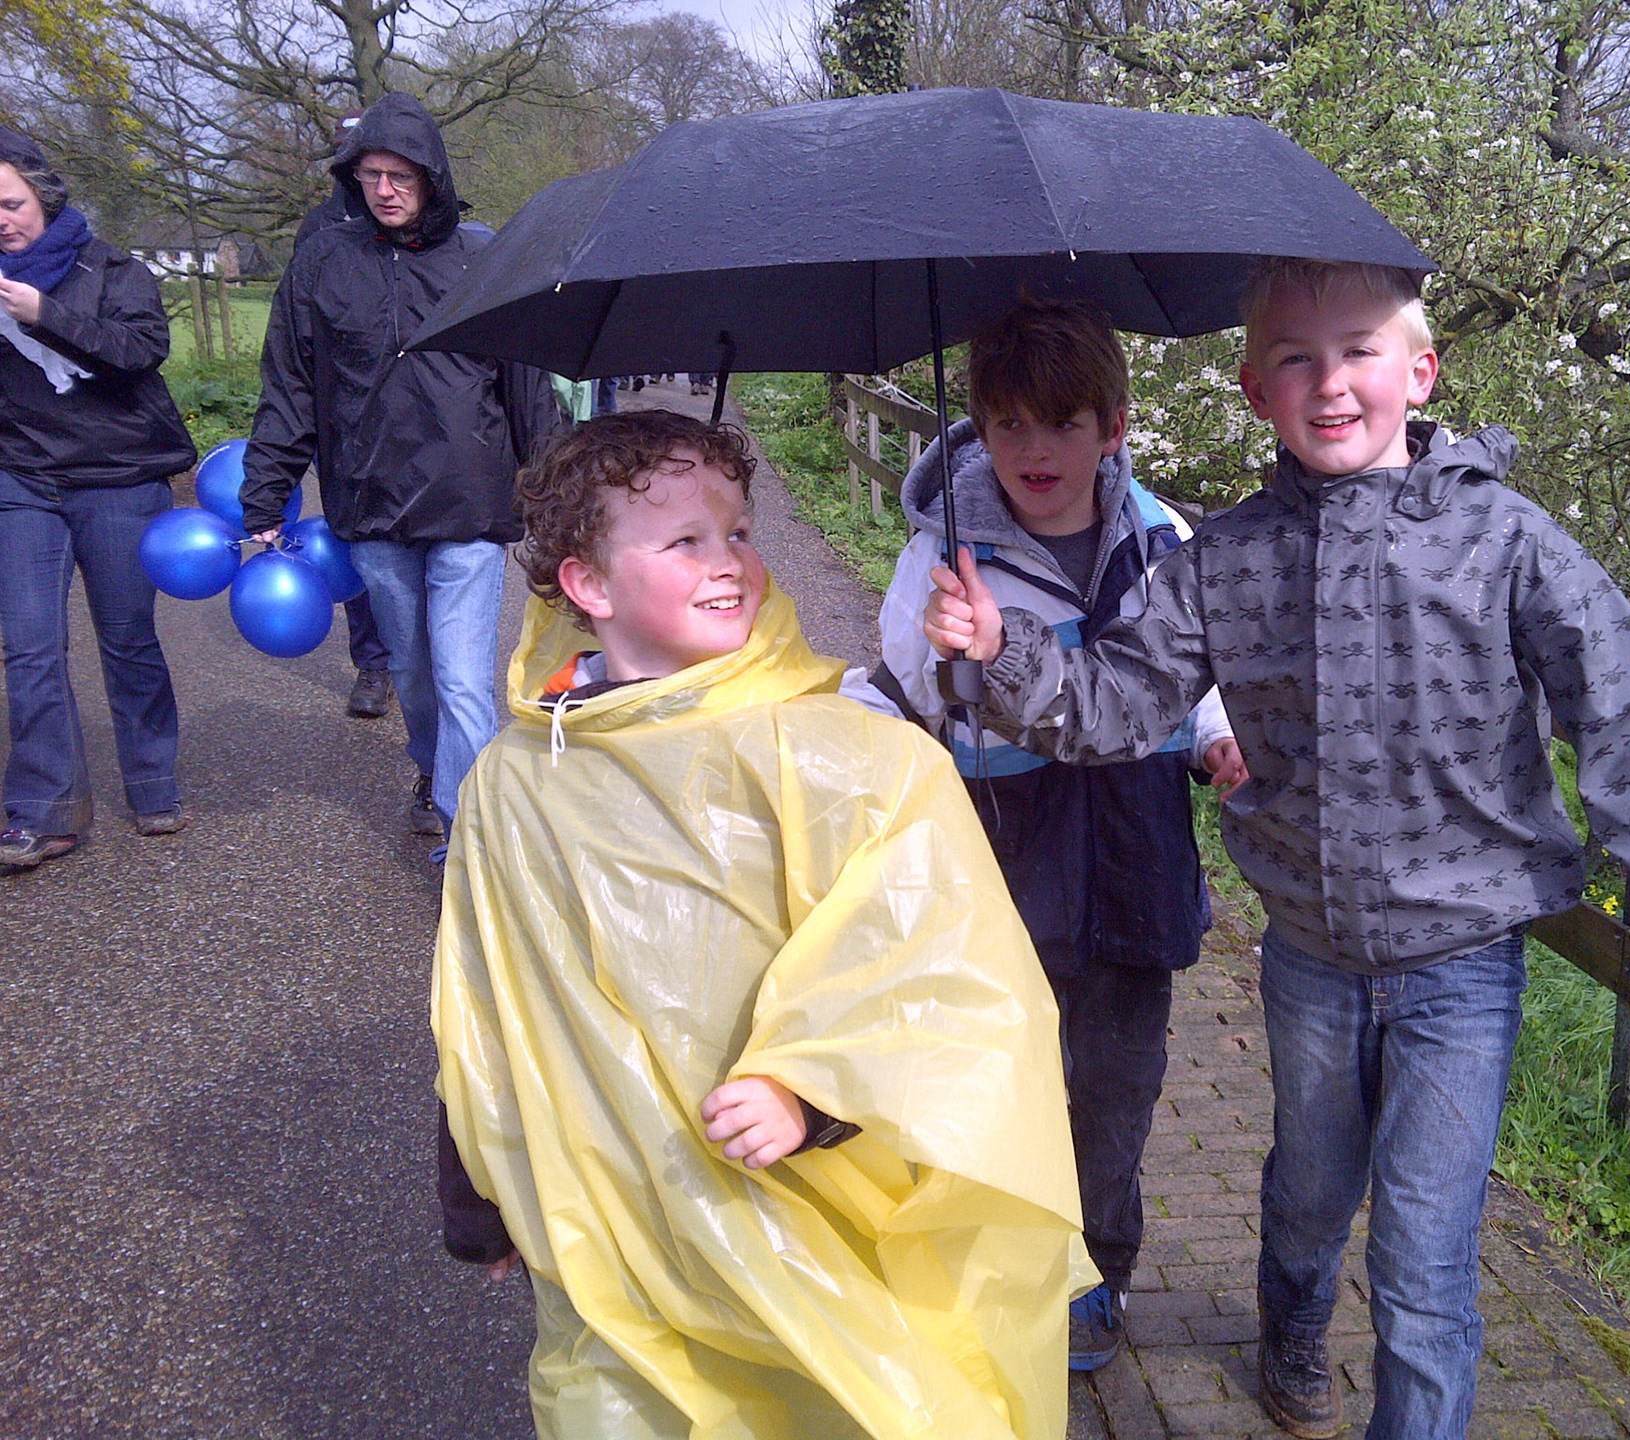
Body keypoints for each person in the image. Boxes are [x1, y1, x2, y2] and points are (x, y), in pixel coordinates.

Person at [924, 257, 1630, 1440]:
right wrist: (1003, 652)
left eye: (1357, 350)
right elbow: (1113, 704)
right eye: (1296, 359)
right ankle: (1292, 1330)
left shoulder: (1506, 542)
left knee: (1423, 1256)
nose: (1331, 382)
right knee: (1309, 1199)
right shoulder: (1224, 557)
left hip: (1464, 964)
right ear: (1255, 389)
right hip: (1307, 959)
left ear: (1419, 370)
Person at [433, 409, 1090, 1439]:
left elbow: (935, 971)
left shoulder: (855, 755)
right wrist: (477, 1193)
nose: (729, 560)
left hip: (800, 1211)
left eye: (738, 530)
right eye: (684, 540)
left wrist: (808, 1086)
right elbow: (487, 1000)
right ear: (588, 585)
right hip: (614, 1215)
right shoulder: (517, 785)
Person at [877, 294, 1244, 1371]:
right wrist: (958, 660)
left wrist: (1217, 735)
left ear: (1113, 426)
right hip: (1010, 860)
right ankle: (1004, 1262)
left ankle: (1099, 1273)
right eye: (1010, 424)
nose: (1038, 451)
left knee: (1118, 1084)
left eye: (1065, 424)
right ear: (981, 428)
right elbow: (910, 692)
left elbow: (1199, 666)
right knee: (1006, 1076)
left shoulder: (1164, 537)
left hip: (1139, 861)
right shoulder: (943, 553)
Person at [241, 92, 557, 845]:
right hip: (372, 502)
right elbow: (290, 384)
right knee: (413, 676)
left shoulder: (483, 260)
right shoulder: (323, 263)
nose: (385, 190)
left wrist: (555, 491)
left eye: (401, 175)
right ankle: (433, 768)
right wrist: (265, 495)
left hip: (468, 501)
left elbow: (527, 382)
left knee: (459, 680)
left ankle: (471, 838)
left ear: (432, 178)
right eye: (371, 175)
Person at [0, 126, 197, 872]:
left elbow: (140, 352)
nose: (1, 218)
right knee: (29, 644)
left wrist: (43, 313)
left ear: (43, 196)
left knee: (127, 640)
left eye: (10, 202)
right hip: (22, 480)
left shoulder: (111, 268)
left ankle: (151, 784)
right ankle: (43, 810)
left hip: (117, 475)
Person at [288, 107, 393, 723]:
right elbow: (302, 338)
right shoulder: (320, 231)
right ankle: (373, 665)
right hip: (349, 424)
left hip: (418, 424)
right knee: (357, 545)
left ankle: (421, 662)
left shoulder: (427, 224)